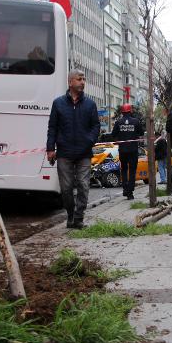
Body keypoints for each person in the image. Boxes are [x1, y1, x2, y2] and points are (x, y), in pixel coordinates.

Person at [47, 69, 100, 228]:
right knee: (66, 188)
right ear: (70, 82)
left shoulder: (90, 104)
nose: (83, 82)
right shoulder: (58, 103)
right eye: (79, 79)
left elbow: (96, 126)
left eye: (84, 79)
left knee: (84, 186)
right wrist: (50, 149)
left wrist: (89, 141)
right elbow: (52, 128)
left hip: (84, 153)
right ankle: (70, 214)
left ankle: (79, 218)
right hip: (64, 153)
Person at [111, 104, 144, 200]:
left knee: (124, 170)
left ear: (122, 112)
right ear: (130, 111)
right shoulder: (136, 121)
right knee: (132, 170)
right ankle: (130, 192)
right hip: (133, 150)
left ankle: (125, 189)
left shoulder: (118, 122)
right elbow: (141, 133)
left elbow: (113, 134)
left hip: (122, 150)